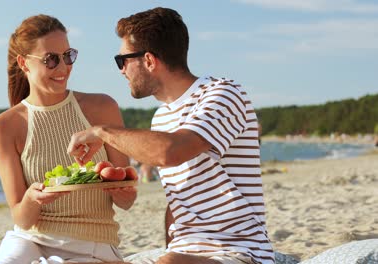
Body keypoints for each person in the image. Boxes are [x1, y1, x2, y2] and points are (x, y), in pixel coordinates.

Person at [67, 7, 274, 264]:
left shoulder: (223, 94)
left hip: (239, 251)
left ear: (150, 61)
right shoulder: (161, 118)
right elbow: (178, 199)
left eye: (123, 61)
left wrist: (101, 131)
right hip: (185, 252)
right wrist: (171, 249)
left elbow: (171, 152)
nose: (121, 70)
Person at [0, 14, 136, 264]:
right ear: (24, 63)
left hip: (93, 245)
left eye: (68, 55)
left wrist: (124, 192)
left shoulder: (102, 107)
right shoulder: (5, 126)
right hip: (30, 241)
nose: (63, 67)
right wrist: (32, 199)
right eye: (51, 59)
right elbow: (22, 218)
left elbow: (127, 199)